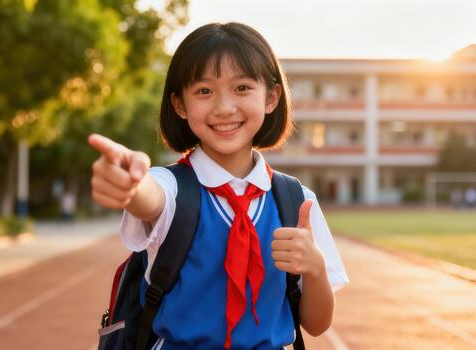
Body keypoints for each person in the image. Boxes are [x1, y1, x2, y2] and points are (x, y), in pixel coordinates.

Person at [89, 22, 349, 350]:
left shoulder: (296, 201)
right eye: (204, 91)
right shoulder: (173, 188)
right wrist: (131, 182)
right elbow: (149, 197)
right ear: (179, 104)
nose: (224, 107)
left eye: (242, 88)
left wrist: (314, 268)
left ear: (271, 97)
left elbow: (316, 323)